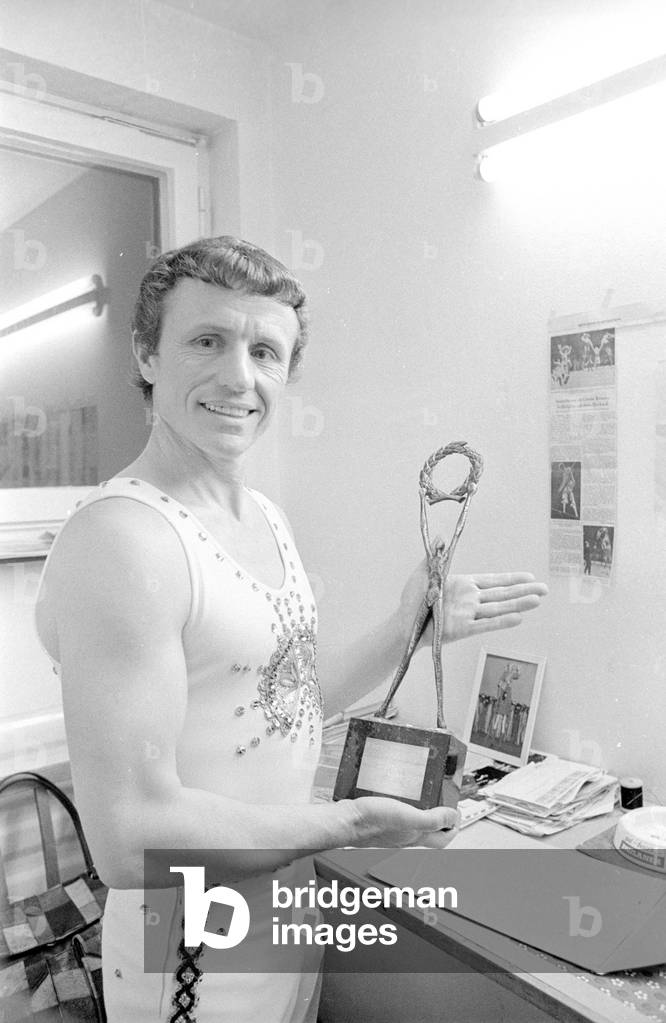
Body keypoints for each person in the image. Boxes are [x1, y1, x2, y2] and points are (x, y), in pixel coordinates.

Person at [34, 236, 547, 1022]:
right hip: (191, 959)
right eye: (207, 340)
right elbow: (131, 838)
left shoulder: (264, 517)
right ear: (145, 353)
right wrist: (351, 822)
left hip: (281, 924)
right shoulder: (123, 539)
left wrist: (407, 625)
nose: (239, 376)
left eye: (265, 351)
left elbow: (282, 700)